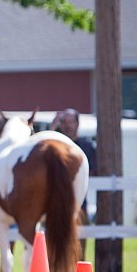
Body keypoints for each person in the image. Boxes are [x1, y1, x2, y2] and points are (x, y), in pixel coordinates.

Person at [51, 108, 97, 256]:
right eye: (63, 122)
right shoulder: (55, 146)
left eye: (70, 122)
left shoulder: (87, 147)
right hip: (56, 207)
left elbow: (93, 173)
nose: (66, 125)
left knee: (79, 252)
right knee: (57, 251)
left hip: (80, 207)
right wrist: (52, 128)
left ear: (77, 124)